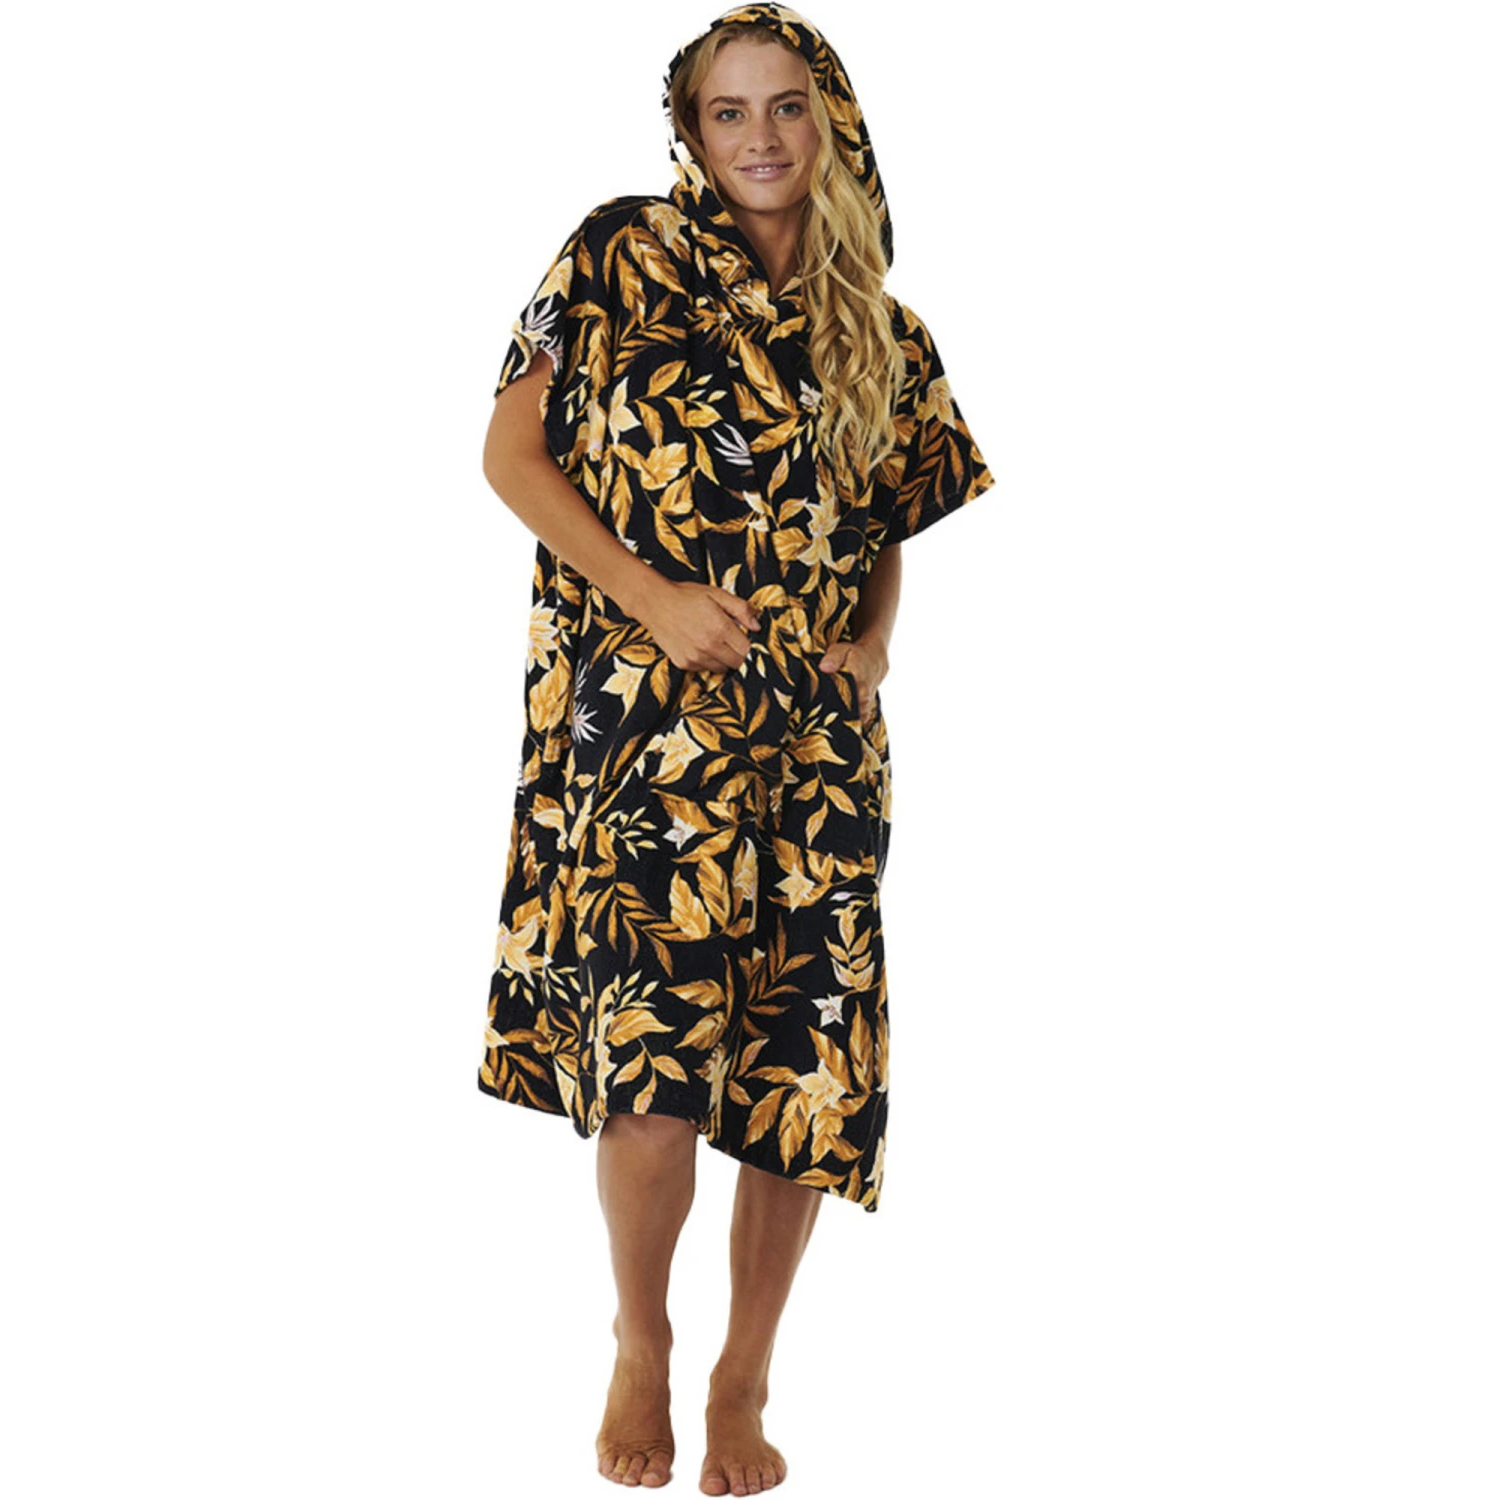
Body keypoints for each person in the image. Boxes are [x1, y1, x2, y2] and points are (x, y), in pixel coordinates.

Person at [478, 4, 995, 1490]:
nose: (760, 136)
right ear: (690, 132)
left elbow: (887, 527)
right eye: (728, 111)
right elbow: (510, 454)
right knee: (649, 1069)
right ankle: (641, 1337)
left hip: (817, 750)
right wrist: (650, 596)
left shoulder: (887, 330)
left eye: (786, 106)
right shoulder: (616, 253)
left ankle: (746, 1370)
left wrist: (875, 645)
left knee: (797, 1079)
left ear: (832, 120)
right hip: (648, 736)